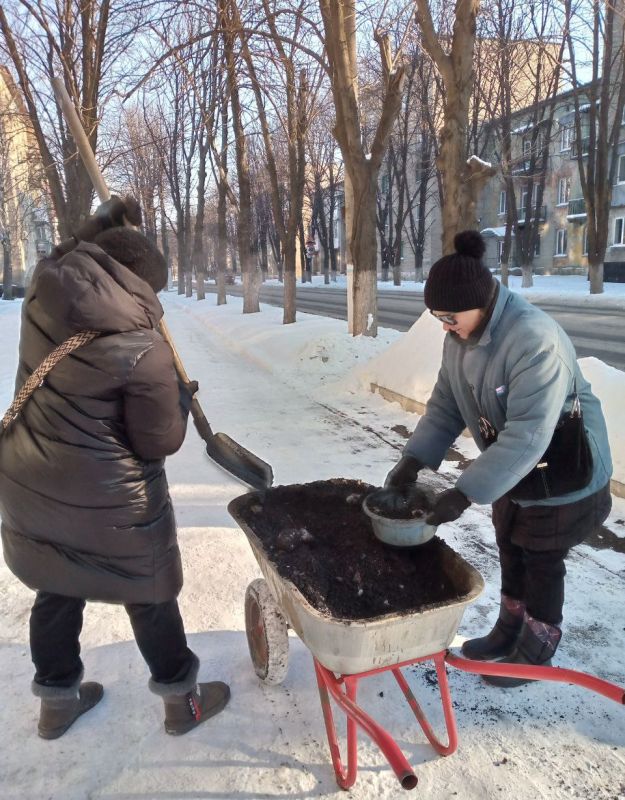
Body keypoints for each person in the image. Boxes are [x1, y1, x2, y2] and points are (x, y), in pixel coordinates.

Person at [0, 198, 230, 737]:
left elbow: (65, 252)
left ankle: (57, 704)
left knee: (57, 581)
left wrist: (104, 218)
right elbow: (159, 442)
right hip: (110, 496)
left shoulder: (43, 297)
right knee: (146, 591)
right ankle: (183, 703)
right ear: (140, 287)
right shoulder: (145, 348)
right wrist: (177, 398)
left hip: (31, 477)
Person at [383, 230, 612, 687]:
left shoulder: (533, 340)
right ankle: (509, 629)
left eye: (449, 317)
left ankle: (538, 646)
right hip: (513, 469)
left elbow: (529, 434)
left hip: (564, 471)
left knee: (541, 557)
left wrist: (465, 492)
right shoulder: (460, 339)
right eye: (438, 318)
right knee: (509, 543)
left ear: (479, 302)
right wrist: (415, 459)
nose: (444, 326)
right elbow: (446, 405)